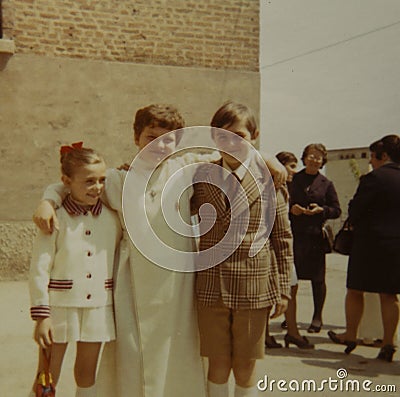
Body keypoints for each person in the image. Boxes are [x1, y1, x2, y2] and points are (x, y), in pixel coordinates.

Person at [32, 104, 287, 397]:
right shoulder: (118, 179)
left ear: (177, 142)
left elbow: (232, 153)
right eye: (151, 136)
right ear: (136, 137)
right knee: (134, 356)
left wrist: (267, 158)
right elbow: (72, 185)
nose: (159, 145)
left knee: (178, 354)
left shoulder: (188, 168)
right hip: (133, 286)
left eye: (168, 139)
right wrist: (47, 200)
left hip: (177, 284)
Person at [191, 102, 291, 397]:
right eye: (222, 137)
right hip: (211, 285)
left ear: (254, 135)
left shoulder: (270, 180)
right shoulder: (200, 175)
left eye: (239, 136)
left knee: (246, 364)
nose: (230, 143)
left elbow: (282, 239)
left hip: (254, 287)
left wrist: (282, 288)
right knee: (217, 362)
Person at [28, 143, 122, 397]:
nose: (98, 187)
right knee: (48, 373)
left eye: (102, 180)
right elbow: (39, 269)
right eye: (89, 181)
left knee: (86, 373)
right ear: (66, 181)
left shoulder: (114, 219)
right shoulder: (54, 219)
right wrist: (41, 316)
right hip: (59, 307)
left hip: (98, 308)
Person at [328, 135, 400, 362]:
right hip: (396, 244)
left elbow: (356, 209)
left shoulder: (373, 178)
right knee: (389, 295)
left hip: (369, 244)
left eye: (373, 156)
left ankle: (350, 335)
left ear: (384, 156)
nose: (372, 160)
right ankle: (388, 342)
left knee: (355, 290)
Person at [289, 143, 341, 334]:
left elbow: (337, 210)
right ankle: (289, 317)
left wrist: (322, 210)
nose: (314, 160)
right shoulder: (294, 180)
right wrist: (292, 209)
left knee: (318, 280)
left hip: (315, 238)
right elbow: (283, 202)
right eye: (311, 156)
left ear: (323, 161)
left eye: (318, 157)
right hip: (295, 236)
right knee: (291, 279)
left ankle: (317, 316)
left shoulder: (327, 184)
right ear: (304, 158)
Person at [265, 151, 314, 349]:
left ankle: (292, 331)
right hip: (271, 248)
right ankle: (265, 332)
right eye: (291, 166)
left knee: (290, 286)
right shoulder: (271, 188)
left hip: (285, 248)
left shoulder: (287, 188)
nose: (294, 171)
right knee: (269, 290)